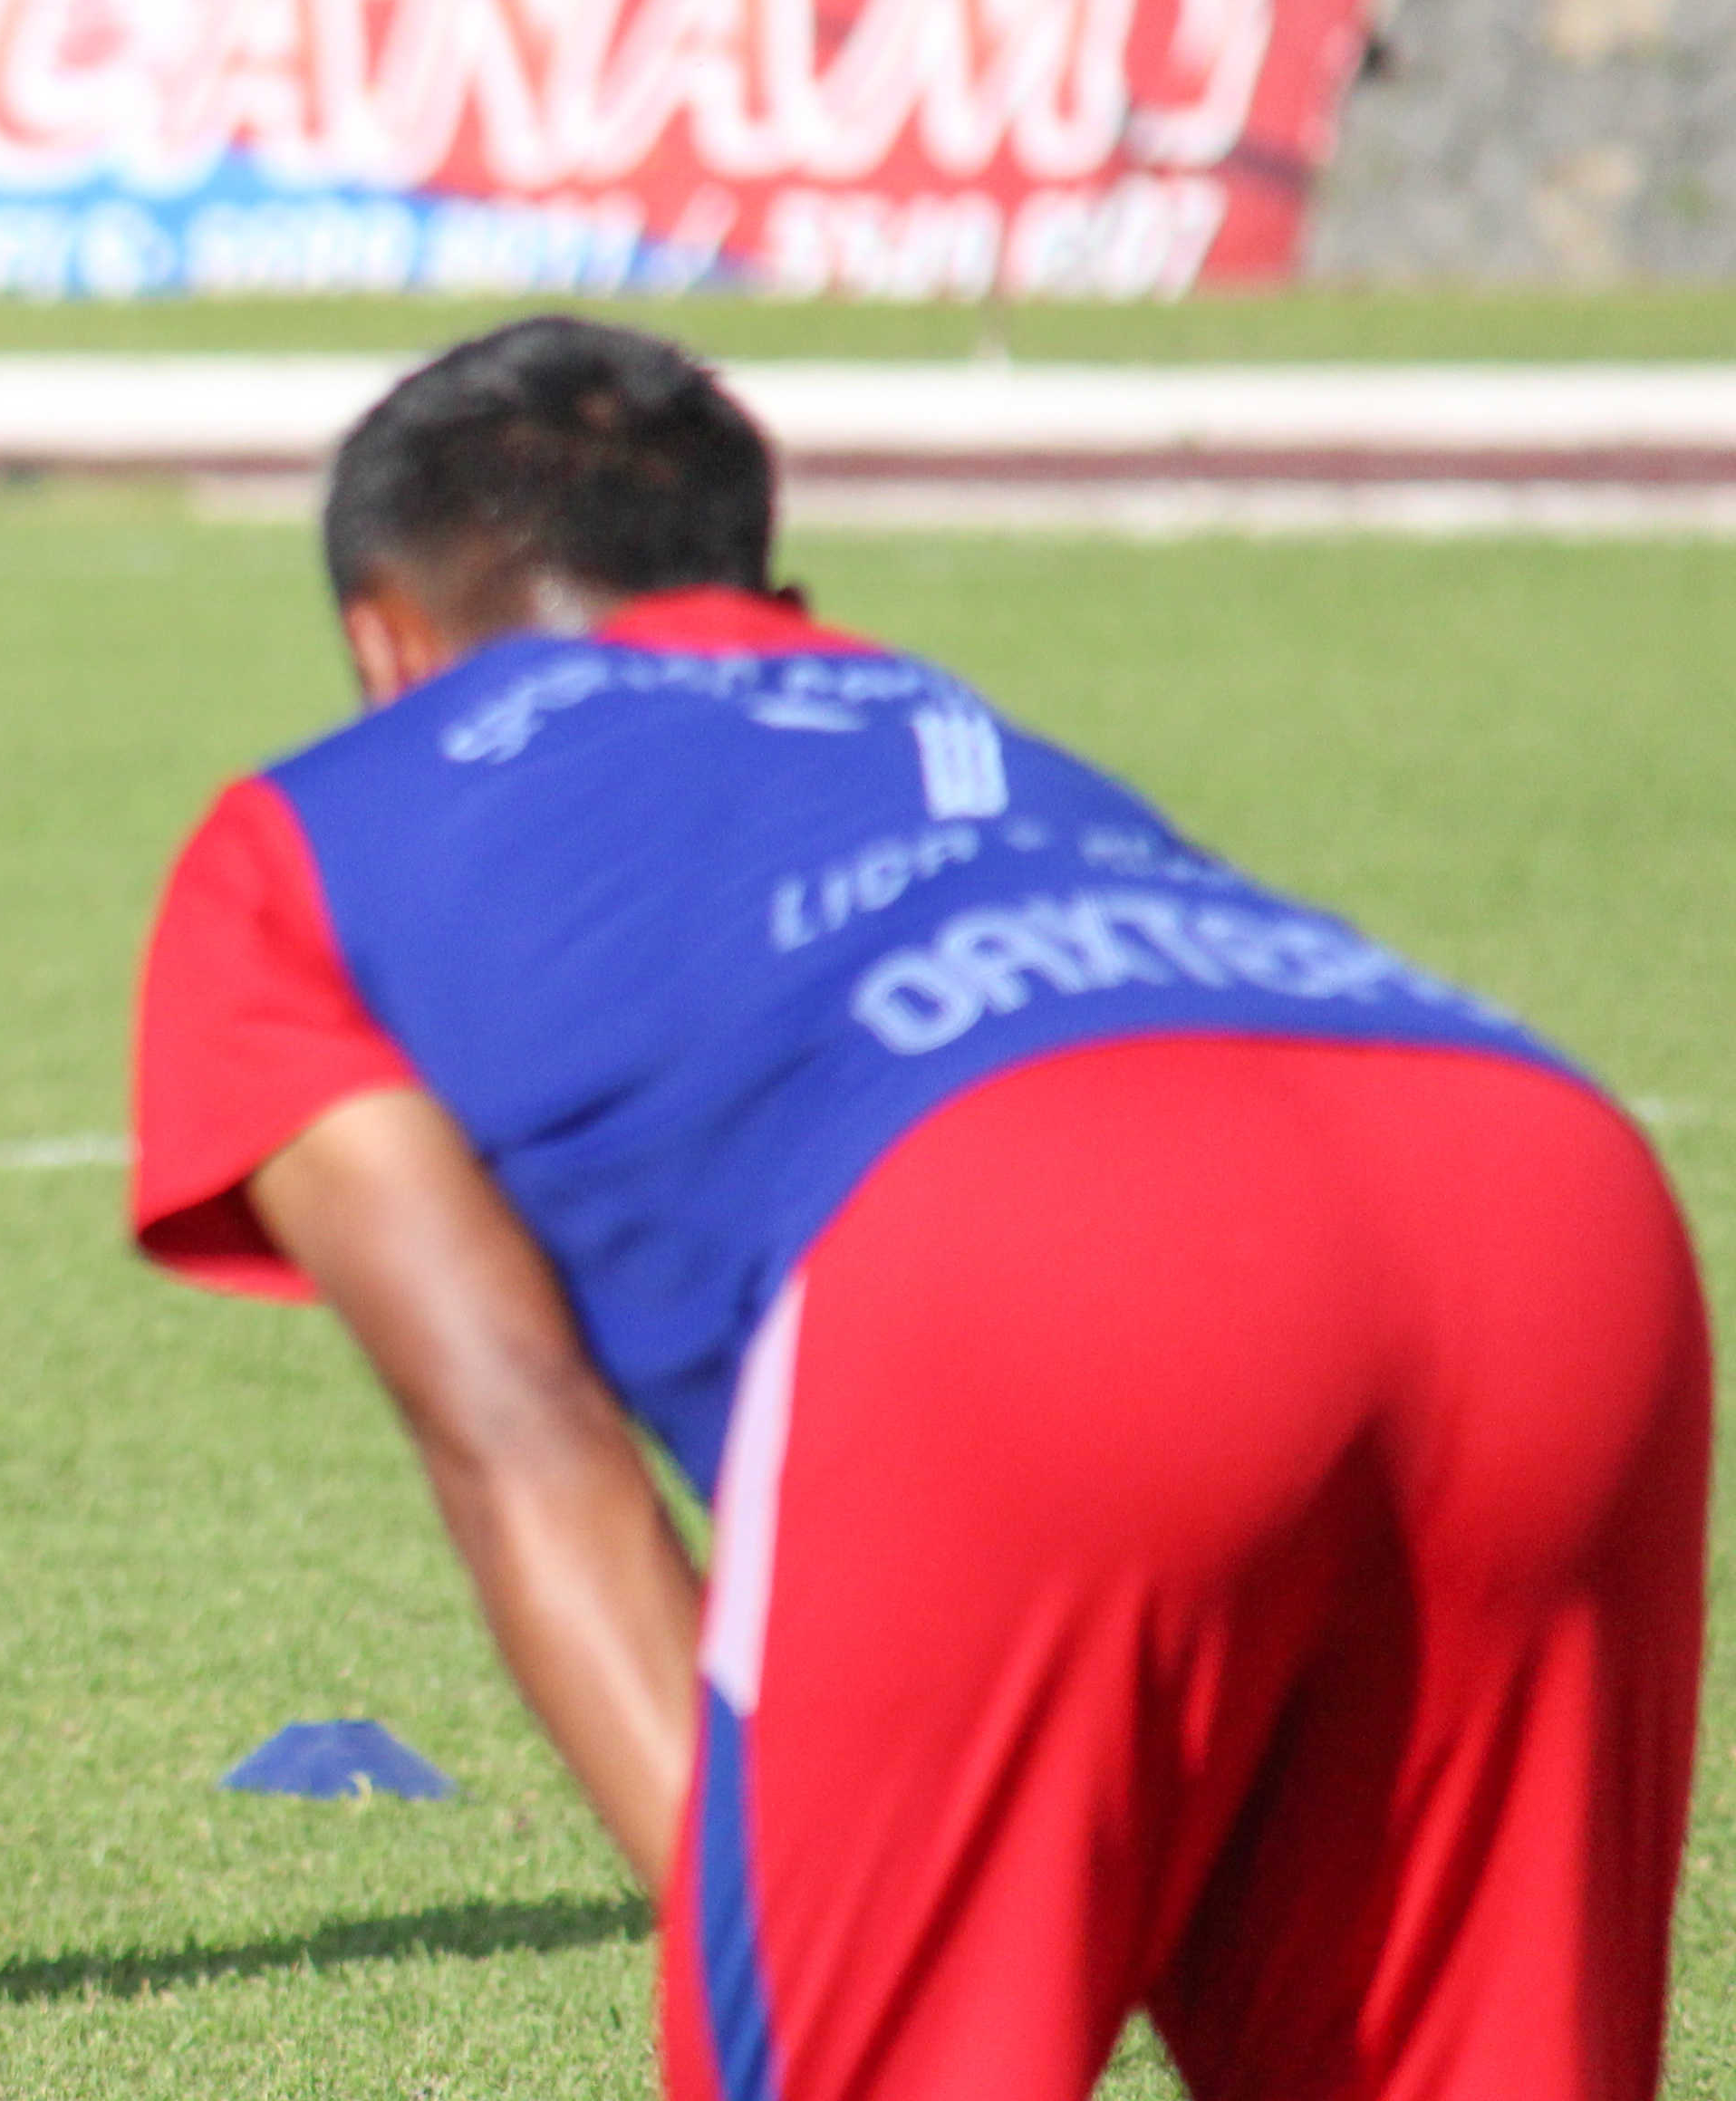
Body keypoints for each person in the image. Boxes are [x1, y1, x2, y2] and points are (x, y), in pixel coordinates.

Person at [129, 316, 1705, 2101]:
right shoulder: (923, 711)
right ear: (767, 593)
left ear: (380, 640)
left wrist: (787, 1933)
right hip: (1543, 1189)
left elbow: (517, 1430)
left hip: (1020, 1213)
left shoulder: (295, 836)